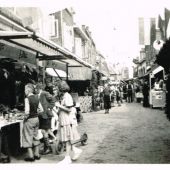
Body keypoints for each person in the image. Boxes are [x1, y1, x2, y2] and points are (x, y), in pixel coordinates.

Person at [56, 81, 82, 164]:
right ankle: (75, 150)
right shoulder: (65, 96)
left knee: (67, 139)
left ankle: (67, 158)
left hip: (67, 120)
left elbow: (69, 109)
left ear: (61, 88)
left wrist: (59, 106)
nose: (57, 89)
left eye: (58, 87)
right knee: (67, 138)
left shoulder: (67, 96)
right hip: (64, 120)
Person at [35, 83, 56, 155]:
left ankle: (48, 148)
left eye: (36, 89)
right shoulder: (37, 95)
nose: (35, 90)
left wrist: (49, 107)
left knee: (44, 131)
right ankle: (48, 146)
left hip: (46, 115)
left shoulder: (44, 93)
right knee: (46, 131)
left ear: (39, 89)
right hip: (41, 116)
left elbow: (53, 99)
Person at [22, 83, 40, 162]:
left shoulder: (27, 99)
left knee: (27, 137)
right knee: (36, 136)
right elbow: (41, 110)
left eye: (25, 89)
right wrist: (35, 113)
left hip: (29, 120)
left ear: (28, 90)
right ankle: (37, 154)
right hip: (36, 119)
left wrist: (24, 118)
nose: (24, 91)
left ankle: (31, 156)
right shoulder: (37, 97)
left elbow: (27, 112)